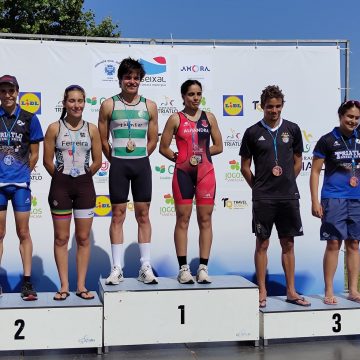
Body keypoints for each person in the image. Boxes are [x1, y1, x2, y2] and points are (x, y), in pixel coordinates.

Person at [240, 85, 310, 308]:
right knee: (262, 243)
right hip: (263, 198)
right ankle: (262, 290)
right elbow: (244, 167)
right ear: (262, 106)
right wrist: (258, 188)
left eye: (278, 106)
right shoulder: (252, 132)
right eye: (270, 106)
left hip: (288, 196)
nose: (274, 110)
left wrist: (288, 179)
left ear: (282, 106)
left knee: (288, 243)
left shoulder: (293, 129)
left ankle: (291, 290)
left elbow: (298, 161)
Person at [98, 58, 159, 285]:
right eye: (127, 77)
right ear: (120, 79)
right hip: (119, 166)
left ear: (140, 80)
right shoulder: (108, 105)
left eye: (135, 78)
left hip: (141, 164)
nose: (131, 81)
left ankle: (145, 266)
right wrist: (115, 160)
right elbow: (103, 140)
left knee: (143, 215)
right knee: (118, 216)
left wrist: (140, 156)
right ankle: (117, 268)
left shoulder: (149, 106)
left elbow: (153, 139)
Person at [159, 80, 223, 284]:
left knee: (205, 220)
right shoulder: (175, 119)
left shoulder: (209, 117)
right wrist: (179, 158)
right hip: (183, 174)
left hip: (206, 173)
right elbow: (163, 147)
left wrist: (201, 154)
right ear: (183, 96)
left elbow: (219, 146)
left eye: (198, 94)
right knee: (183, 219)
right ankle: (183, 268)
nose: (195, 98)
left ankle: (203, 267)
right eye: (191, 94)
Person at [43, 85, 102, 300]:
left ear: (85, 103)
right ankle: (64, 286)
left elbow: (98, 161)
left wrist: (85, 175)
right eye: (72, 101)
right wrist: (61, 178)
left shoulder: (92, 129)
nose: (76, 105)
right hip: (61, 186)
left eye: (80, 101)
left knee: (83, 238)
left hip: (85, 186)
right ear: (65, 103)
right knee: (61, 237)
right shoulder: (54, 128)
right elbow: (47, 161)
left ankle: (81, 286)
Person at [310, 100, 360, 305]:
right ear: (340, 116)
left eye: (357, 118)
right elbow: (314, 172)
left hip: (356, 198)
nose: (353, 121)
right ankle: (329, 289)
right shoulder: (327, 140)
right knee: (333, 243)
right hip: (333, 198)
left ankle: (354, 290)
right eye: (349, 117)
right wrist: (315, 201)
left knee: (354, 244)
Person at [0, 74, 43, 300]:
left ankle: (27, 282)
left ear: (17, 92)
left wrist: (25, 171)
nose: (7, 95)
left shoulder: (29, 118)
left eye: (11, 90)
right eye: (3, 91)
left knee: (23, 232)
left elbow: (35, 153)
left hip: (19, 185)